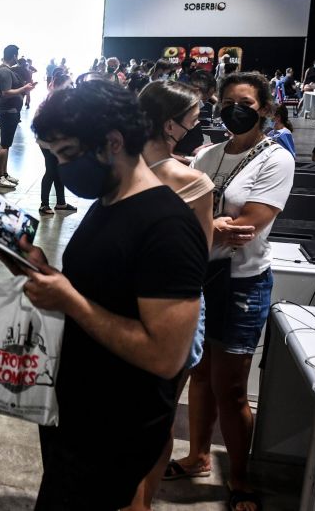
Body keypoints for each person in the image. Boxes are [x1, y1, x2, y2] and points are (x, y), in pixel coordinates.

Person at [0, 79, 207, 510]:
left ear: (112, 142)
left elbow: (166, 355)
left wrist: (68, 299)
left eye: (68, 154)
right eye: (54, 157)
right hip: (80, 410)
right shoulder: (110, 200)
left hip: (116, 425)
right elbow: (100, 289)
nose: (62, 167)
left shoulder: (167, 226)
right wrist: (39, 267)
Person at [177, 72, 295, 511]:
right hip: (203, 278)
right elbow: (184, 213)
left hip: (244, 283)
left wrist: (203, 227)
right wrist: (212, 228)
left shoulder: (275, 159)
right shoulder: (208, 154)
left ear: (264, 107)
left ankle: (240, 478)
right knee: (201, 375)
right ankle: (197, 456)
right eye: (227, 101)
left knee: (231, 386)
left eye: (244, 102)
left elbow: (247, 226)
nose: (234, 109)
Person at [129, 80, 217, 511]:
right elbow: (198, 257)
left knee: (135, 418)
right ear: (170, 125)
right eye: (193, 120)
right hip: (171, 312)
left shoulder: (119, 169)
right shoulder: (194, 182)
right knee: (155, 418)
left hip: (128, 309)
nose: (197, 127)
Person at [0, 44, 34, 189]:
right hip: (7, 110)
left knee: (7, 143)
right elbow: (6, 92)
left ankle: (4, 174)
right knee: (4, 144)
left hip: (11, 110)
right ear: (14, 56)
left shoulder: (6, 70)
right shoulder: (4, 71)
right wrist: (24, 89)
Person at [36, 73, 76, 216]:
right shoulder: (51, 100)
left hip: (55, 142)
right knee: (51, 171)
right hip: (48, 143)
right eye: (69, 84)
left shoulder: (61, 99)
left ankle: (61, 203)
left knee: (58, 172)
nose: (71, 87)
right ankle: (44, 204)